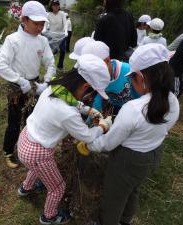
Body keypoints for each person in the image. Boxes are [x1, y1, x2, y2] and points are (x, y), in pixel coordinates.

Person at [78, 43, 180, 225]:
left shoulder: (133, 109)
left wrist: (88, 144)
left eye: (132, 77)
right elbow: (164, 129)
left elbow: (108, 143)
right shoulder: (172, 101)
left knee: (114, 196)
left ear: (141, 77)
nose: (131, 81)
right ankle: (126, 220)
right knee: (133, 188)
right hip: (153, 153)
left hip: (128, 160)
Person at [17, 54, 112, 225]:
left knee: (35, 168)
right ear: (85, 86)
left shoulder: (54, 88)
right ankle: (49, 216)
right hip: (38, 153)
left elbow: (72, 102)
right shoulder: (67, 114)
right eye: (91, 94)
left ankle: (26, 187)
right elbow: (87, 136)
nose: (90, 98)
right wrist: (102, 126)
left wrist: (89, 110)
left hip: (26, 139)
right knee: (57, 187)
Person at [0, 1, 56, 168]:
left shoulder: (42, 41)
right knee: (14, 120)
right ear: (24, 19)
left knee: (33, 117)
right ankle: (8, 151)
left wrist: (46, 81)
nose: (40, 27)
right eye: (36, 23)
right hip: (17, 86)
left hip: (35, 84)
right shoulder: (13, 40)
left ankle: (27, 148)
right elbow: (1, 65)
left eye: (42, 24)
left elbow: (50, 63)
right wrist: (20, 80)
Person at [81, 41, 140, 116]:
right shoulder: (96, 76)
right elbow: (100, 96)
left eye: (97, 69)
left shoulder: (128, 71)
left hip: (136, 110)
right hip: (117, 108)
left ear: (107, 60)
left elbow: (142, 97)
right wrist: (93, 117)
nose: (95, 74)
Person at [46, 0, 68, 69]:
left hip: (61, 35)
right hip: (52, 36)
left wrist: (66, 31)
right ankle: (51, 66)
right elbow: (45, 24)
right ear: (51, 6)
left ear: (59, 6)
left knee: (63, 51)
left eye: (57, 5)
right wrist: (44, 29)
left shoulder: (62, 14)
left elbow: (65, 23)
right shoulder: (48, 14)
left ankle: (60, 66)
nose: (56, 7)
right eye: (54, 5)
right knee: (51, 52)